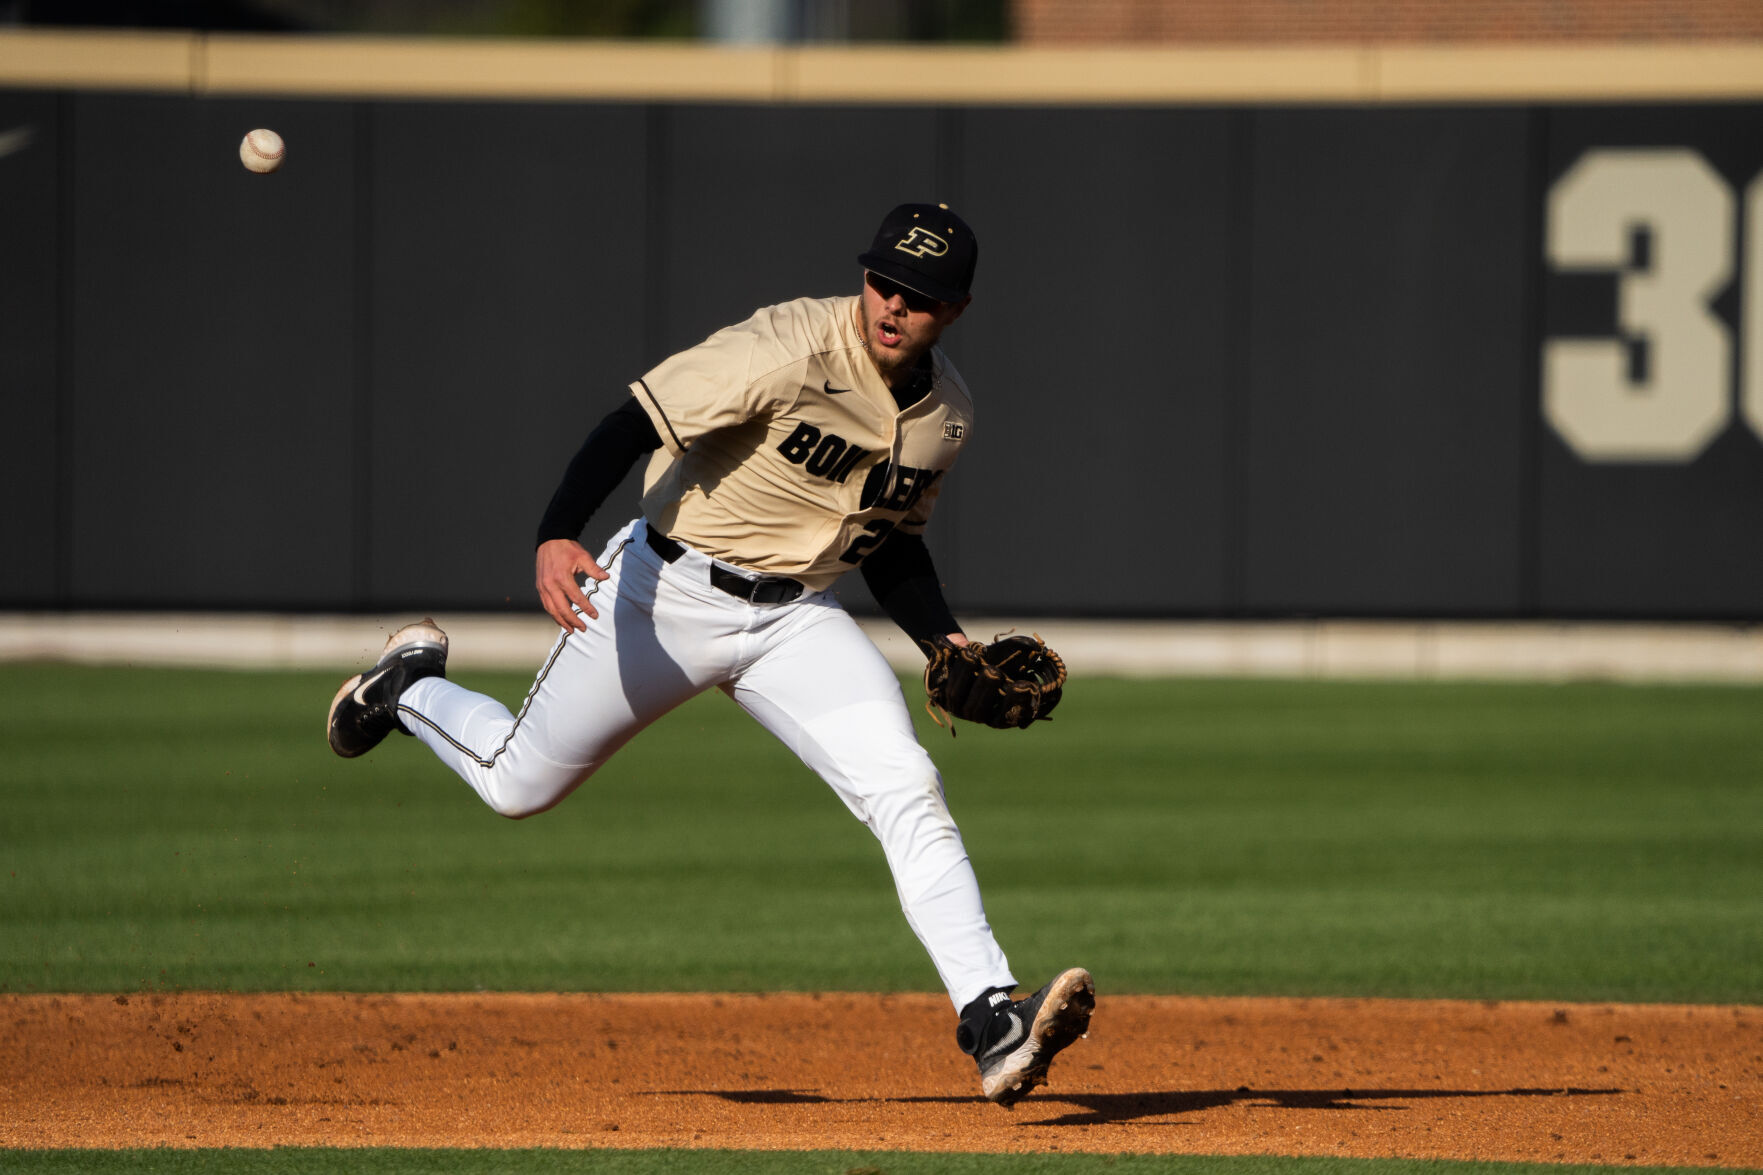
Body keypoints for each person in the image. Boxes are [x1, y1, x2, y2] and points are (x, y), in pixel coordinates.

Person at [325, 203, 1093, 1106]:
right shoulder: (784, 347)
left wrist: (945, 640)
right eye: (882, 280)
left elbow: (886, 542)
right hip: (665, 589)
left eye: (918, 295)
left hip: (795, 619)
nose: (892, 303)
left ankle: (990, 1015)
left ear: (954, 309)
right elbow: (632, 424)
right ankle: (409, 686)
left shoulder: (945, 416)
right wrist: (555, 532)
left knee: (905, 785)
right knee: (515, 785)